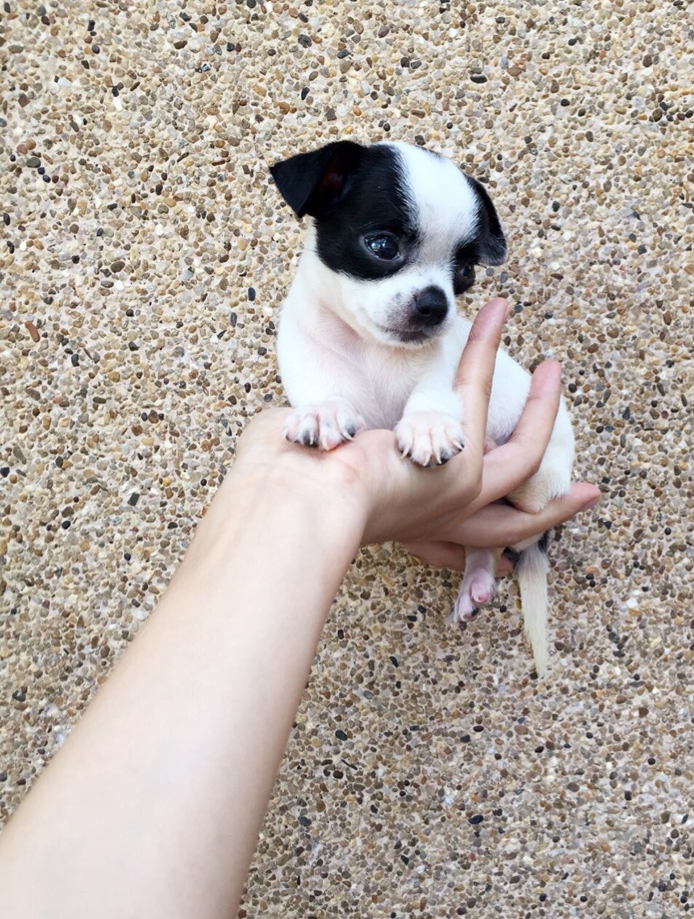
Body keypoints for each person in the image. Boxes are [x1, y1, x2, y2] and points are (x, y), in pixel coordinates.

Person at [0, 299, 600, 919]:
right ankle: (485, 558)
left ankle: (489, 558)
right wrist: (317, 488)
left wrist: (309, 487)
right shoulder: (314, 339)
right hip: (440, 472)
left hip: (498, 464)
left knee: (514, 507)